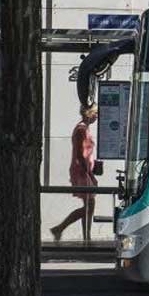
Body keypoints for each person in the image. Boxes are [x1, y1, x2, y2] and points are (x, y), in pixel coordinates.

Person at [51, 104, 99, 243]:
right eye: (96, 113)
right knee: (89, 205)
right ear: (89, 113)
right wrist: (89, 173)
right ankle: (60, 228)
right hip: (82, 171)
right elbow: (81, 154)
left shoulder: (84, 129)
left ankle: (86, 237)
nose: (97, 116)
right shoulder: (81, 130)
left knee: (88, 206)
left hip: (84, 170)